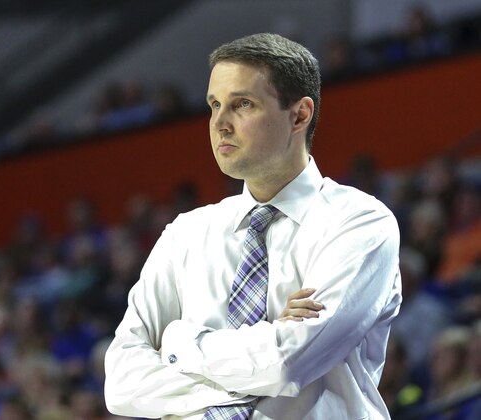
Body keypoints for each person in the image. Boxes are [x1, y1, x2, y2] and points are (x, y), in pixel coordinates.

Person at [104, 33, 401, 419]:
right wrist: (266, 340)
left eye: (242, 104)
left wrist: (179, 342)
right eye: (214, 105)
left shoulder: (359, 223)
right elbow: (122, 383)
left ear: (299, 115)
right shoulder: (186, 234)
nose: (220, 124)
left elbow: (287, 363)